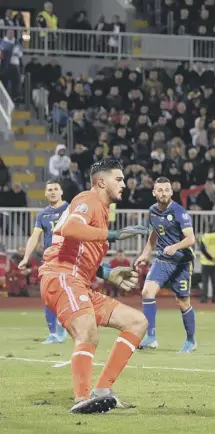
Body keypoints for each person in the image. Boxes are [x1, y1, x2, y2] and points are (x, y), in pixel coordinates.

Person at [38, 158, 149, 414]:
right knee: (87, 331)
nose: (124, 185)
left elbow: (80, 251)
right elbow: (70, 228)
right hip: (61, 276)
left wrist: (108, 273)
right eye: (118, 179)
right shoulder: (89, 200)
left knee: (137, 322)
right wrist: (114, 235)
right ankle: (81, 399)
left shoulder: (101, 210)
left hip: (80, 283)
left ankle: (101, 391)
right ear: (102, 181)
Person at [135, 177, 197, 353]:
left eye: (167, 190)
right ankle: (151, 337)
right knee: (147, 292)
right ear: (154, 192)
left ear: (171, 192)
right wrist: (145, 254)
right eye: (160, 190)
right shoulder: (153, 211)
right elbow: (154, 233)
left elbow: (191, 239)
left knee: (182, 302)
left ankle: (191, 341)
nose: (164, 193)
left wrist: (175, 247)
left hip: (181, 262)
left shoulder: (179, 212)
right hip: (163, 260)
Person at [19, 180, 70, 344]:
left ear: (61, 191)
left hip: (68, 257)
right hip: (49, 259)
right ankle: (53, 334)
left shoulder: (70, 209)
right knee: (47, 295)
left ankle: (63, 329)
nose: (53, 192)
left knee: (64, 295)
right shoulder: (42, 214)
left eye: (56, 189)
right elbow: (35, 237)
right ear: (46, 193)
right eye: (50, 189)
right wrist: (26, 257)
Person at [198, 222, 215, 303]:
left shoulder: (204, 237)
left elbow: (203, 250)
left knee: (205, 281)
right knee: (214, 281)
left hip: (206, 262)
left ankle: (204, 298)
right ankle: (214, 298)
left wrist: (210, 258)